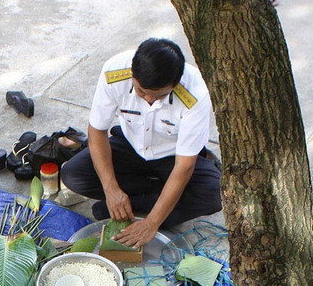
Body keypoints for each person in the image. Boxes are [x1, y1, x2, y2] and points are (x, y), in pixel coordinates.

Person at [60, 38, 222, 248]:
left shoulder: (195, 94)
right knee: (73, 174)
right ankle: (155, 196)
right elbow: (97, 131)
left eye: (159, 96)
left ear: (175, 83)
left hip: (174, 157)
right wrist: (111, 190)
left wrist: (152, 223)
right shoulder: (114, 72)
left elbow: (184, 165)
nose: (149, 99)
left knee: (215, 193)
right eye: (140, 91)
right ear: (133, 75)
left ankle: (138, 206)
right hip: (130, 146)